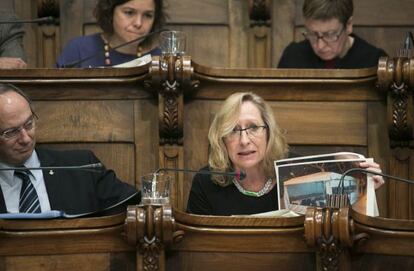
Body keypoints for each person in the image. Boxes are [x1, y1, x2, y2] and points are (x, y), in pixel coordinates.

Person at [186, 92, 384, 216]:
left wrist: (364, 189)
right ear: (221, 139)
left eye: (253, 127)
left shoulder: (298, 172)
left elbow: (340, 225)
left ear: (268, 131)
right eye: (233, 131)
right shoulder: (207, 182)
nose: (244, 140)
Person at [0, 83, 139, 215]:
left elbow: (136, 206)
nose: (25, 139)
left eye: (29, 124)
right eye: (12, 132)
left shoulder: (83, 167)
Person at [277, 0, 387, 69]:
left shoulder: (375, 62)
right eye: (312, 34)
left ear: (348, 25)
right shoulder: (292, 57)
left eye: (330, 35)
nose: (320, 46)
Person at [56, 0, 165, 68]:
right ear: (110, 12)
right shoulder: (79, 50)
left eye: (148, 15)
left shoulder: (161, 59)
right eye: (129, 12)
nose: (138, 23)